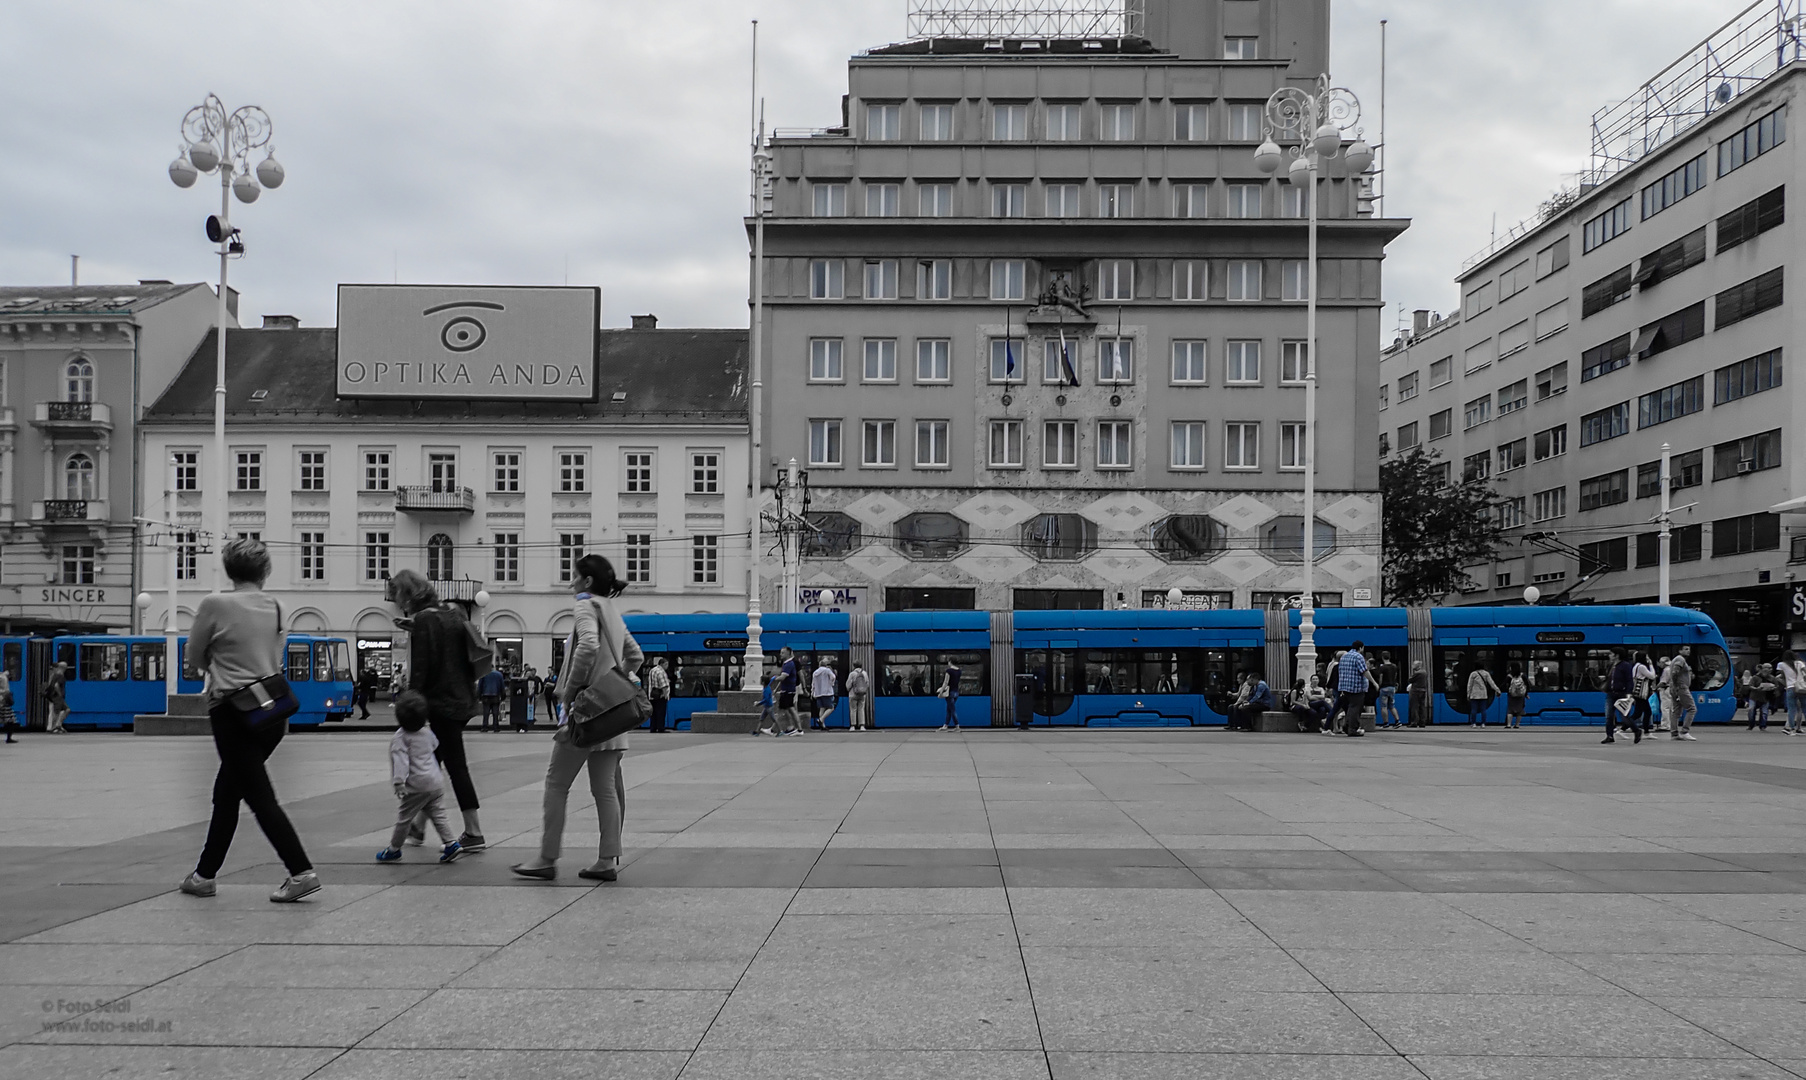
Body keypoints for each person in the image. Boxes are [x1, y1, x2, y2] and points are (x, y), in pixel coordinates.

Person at [178, 537, 321, 904]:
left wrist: (217, 663)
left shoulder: (214, 604)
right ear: (265, 571)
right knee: (226, 793)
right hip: (272, 711)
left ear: (228, 570)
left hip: (232, 710)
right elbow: (273, 654)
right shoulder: (276, 606)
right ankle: (204, 875)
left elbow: (193, 655)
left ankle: (301, 871)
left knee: (259, 796)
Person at [513, 553, 636, 883]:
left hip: (584, 714)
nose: (571, 582)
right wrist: (613, 684)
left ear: (587, 581)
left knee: (556, 784)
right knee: (605, 790)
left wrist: (571, 691)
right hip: (612, 715)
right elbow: (635, 655)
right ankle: (607, 860)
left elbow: (588, 647)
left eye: (574, 576)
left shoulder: (585, 605)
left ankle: (546, 857)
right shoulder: (612, 609)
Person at [391, 569, 487, 853]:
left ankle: (474, 831)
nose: (397, 599)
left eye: (398, 593)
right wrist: (413, 627)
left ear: (408, 594)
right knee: (432, 762)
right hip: (462, 698)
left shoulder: (424, 619)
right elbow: (448, 642)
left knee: (456, 766)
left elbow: (422, 667)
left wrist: (411, 706)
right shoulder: (453, 612)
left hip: (440, 703)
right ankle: (418, 827)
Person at [377, 690, 462, 864]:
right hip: (435, 781)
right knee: (439, 814)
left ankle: (394, 849)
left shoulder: (400, 738)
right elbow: (435, 745)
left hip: (417, 785)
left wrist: (399, 782)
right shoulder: (427, 733)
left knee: (404, 818)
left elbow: (400, 761)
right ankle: (451, 843)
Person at [1331, 641, 1369, 737]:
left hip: (1344, 687)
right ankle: (1352, 729)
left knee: (1349, 707)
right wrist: (1374, 682)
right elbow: (1364, 671)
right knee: (1355, 708)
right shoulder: (1358, 656)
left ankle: (1346, 726)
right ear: (1360, 648)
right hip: (1356, 687)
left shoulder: (1344, 657)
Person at [1603, 652, 1637, 743]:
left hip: (1622, 693)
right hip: (1611, 693)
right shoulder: (1611, 665)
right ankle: (1609, 736)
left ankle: (1636, 730)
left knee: (1625, 716)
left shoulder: (1626, 666)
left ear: (1617, 655)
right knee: (1609, 716)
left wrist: (1629, 692)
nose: (1609, 655)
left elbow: (1629, 680)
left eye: (1611, 654)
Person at [1667, 647, 1698, 740]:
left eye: (1689, 649)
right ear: (1680, 650)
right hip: (1681, 688)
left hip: (1676, 688)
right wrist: (1676, 685)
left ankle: (1674, 733)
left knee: (1676, 711)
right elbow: (1674, 672)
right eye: (1685, 649)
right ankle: (1685, 731)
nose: (1688, 651)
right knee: (1692, 709)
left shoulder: (1677, 659)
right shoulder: (1680, 659)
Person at [775, 647, 803, 737]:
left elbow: (783, 677)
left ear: (788, 653)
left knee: (790, 709)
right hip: (786, 690)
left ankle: (798, 729)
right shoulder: (787, 663)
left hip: (788, 690)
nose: (781, 654)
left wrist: (771, 678)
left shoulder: (789, 664)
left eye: (782, 653)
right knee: (785, 709)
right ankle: (791, 728)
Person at [1466, 663, 1501, 727]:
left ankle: (1473, 723)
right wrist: (1497, 690)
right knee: (1483, 710)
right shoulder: (1486, 673)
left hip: (1474, 694)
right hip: (1483, 694)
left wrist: (1468, 694)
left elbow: (1469, 685)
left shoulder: (1473, 674)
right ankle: (1483, 723)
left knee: (1474, 709)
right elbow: (1491, 683)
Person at [1631, 652, 1658, 735]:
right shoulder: (1642, 667)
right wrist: (1651, 665)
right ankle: (1623, 728)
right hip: (1641, 692)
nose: (1648, 659)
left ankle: (1646, 731)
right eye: (1646, 657)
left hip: (1637, 691)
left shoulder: (1636, 666)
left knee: (1647, 711)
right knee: (1638, 713)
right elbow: (1652, 676)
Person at [1372, 651, 1401, 728]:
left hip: (1384, 688)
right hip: (1392, 688)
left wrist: (1379, 686)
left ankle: (1386, 723)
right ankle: (1397, 721)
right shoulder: (1394, 666)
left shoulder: (1382, 667)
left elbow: (1381, 678)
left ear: (1382, 657)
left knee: (1384, 706)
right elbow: (1395, 677)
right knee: (1392, 706)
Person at [1781, 651, 1806, 735]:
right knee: (1804, 708)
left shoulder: (1782, 664)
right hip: (1801, 688)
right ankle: (1799, 727)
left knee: (1791, 709)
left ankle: (1790, 728)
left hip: (1790, 688)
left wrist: (1786, 684)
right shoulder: (1799, 663)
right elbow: (1805, 673)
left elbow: (1781, 676)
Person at [1747, 663, 1777, 731]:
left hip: (1765, 697)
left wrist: (1772, 688)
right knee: (1751, 709)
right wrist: (1756, 688)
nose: (1770, 670)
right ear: (1763, 668)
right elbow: (1750, 686)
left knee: (1764, 712)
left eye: (1771, 668)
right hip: (1754, 697)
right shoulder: (1755, 677)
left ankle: (1762, 725)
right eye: (1768, 668)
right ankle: (1751, 724)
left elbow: (1776, 686)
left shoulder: (1772, 678)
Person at [811, 656, 838, 730]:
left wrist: (812, 692)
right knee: (831, 708)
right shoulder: (827, 670)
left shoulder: (815, 672)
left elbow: (813, 683)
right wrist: (831, 684)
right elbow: (833, 677)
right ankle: (821, 720)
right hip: (827, 692)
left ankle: (823, 726)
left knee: (822, 708)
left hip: (818, 692)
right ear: (825, 665)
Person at [477, 666, 506, 733]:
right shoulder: (499, 674)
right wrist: (503, 695)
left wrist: (479, 696)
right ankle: (495, 727)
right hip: (495, 695)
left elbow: (480, 686)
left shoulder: (483, 674)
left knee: (486, 713)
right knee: (495, 713)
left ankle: (485, 727)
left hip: (486, 695)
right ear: (494, 667)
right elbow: (502, 686)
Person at [646, 657, 671, 733]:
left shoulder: (652, 670)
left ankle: (653, 728)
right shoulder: (661, 672)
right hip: (660, 696)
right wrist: (666, 695)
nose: (667, 666)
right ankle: (661, 728)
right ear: (662, 664)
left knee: (653, 713)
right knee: (661, 712)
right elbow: (663, 685)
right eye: (666, 664)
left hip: (652, 695)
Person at [937, 656, 962, 731]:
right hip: (956, 692)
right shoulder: (959, 671)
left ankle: (957, 726)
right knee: (949, 709)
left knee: (952, 710)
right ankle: (945, 725)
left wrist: (941, 692)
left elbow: (945, 682)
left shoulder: (949, 671)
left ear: (950, 661)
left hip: (949, 692)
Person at [44, 662, 69, 733]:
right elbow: (56, 685)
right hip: (57, 697)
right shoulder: (60, 675)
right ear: (63, 668)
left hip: (53, 696)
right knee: (58, 711)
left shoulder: (54, 675)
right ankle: (55, 727)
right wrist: (60, 694)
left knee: (63, 710)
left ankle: (57, 725)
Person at [846, 661, 872, 731]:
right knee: (861, 709)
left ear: (854, 666)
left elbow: (848, 685)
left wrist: (849, 689)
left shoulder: (852, 674)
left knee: (853, 709)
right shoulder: (865, 673)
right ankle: (862, 726)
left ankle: (853, 726)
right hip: (862, 694)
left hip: (853, 694)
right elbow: (867, 684)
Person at [1406, 660, 1430, 727]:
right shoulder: (1424, 672)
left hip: (1416, 691)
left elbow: (1410, 680)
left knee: (1414, 707)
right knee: (1422, 707)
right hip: (1423, 691)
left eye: (1413, 664)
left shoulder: (1417, 673)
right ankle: (1422, 722)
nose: (1412, 666)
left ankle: (1414, 722)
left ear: (1417, 666)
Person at [1, 676, 16, 743]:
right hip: (4, 704)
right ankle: (9, 738)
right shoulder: (3, 677)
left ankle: (9, 738)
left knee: (9, 721)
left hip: (3, 703)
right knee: (10, 721)